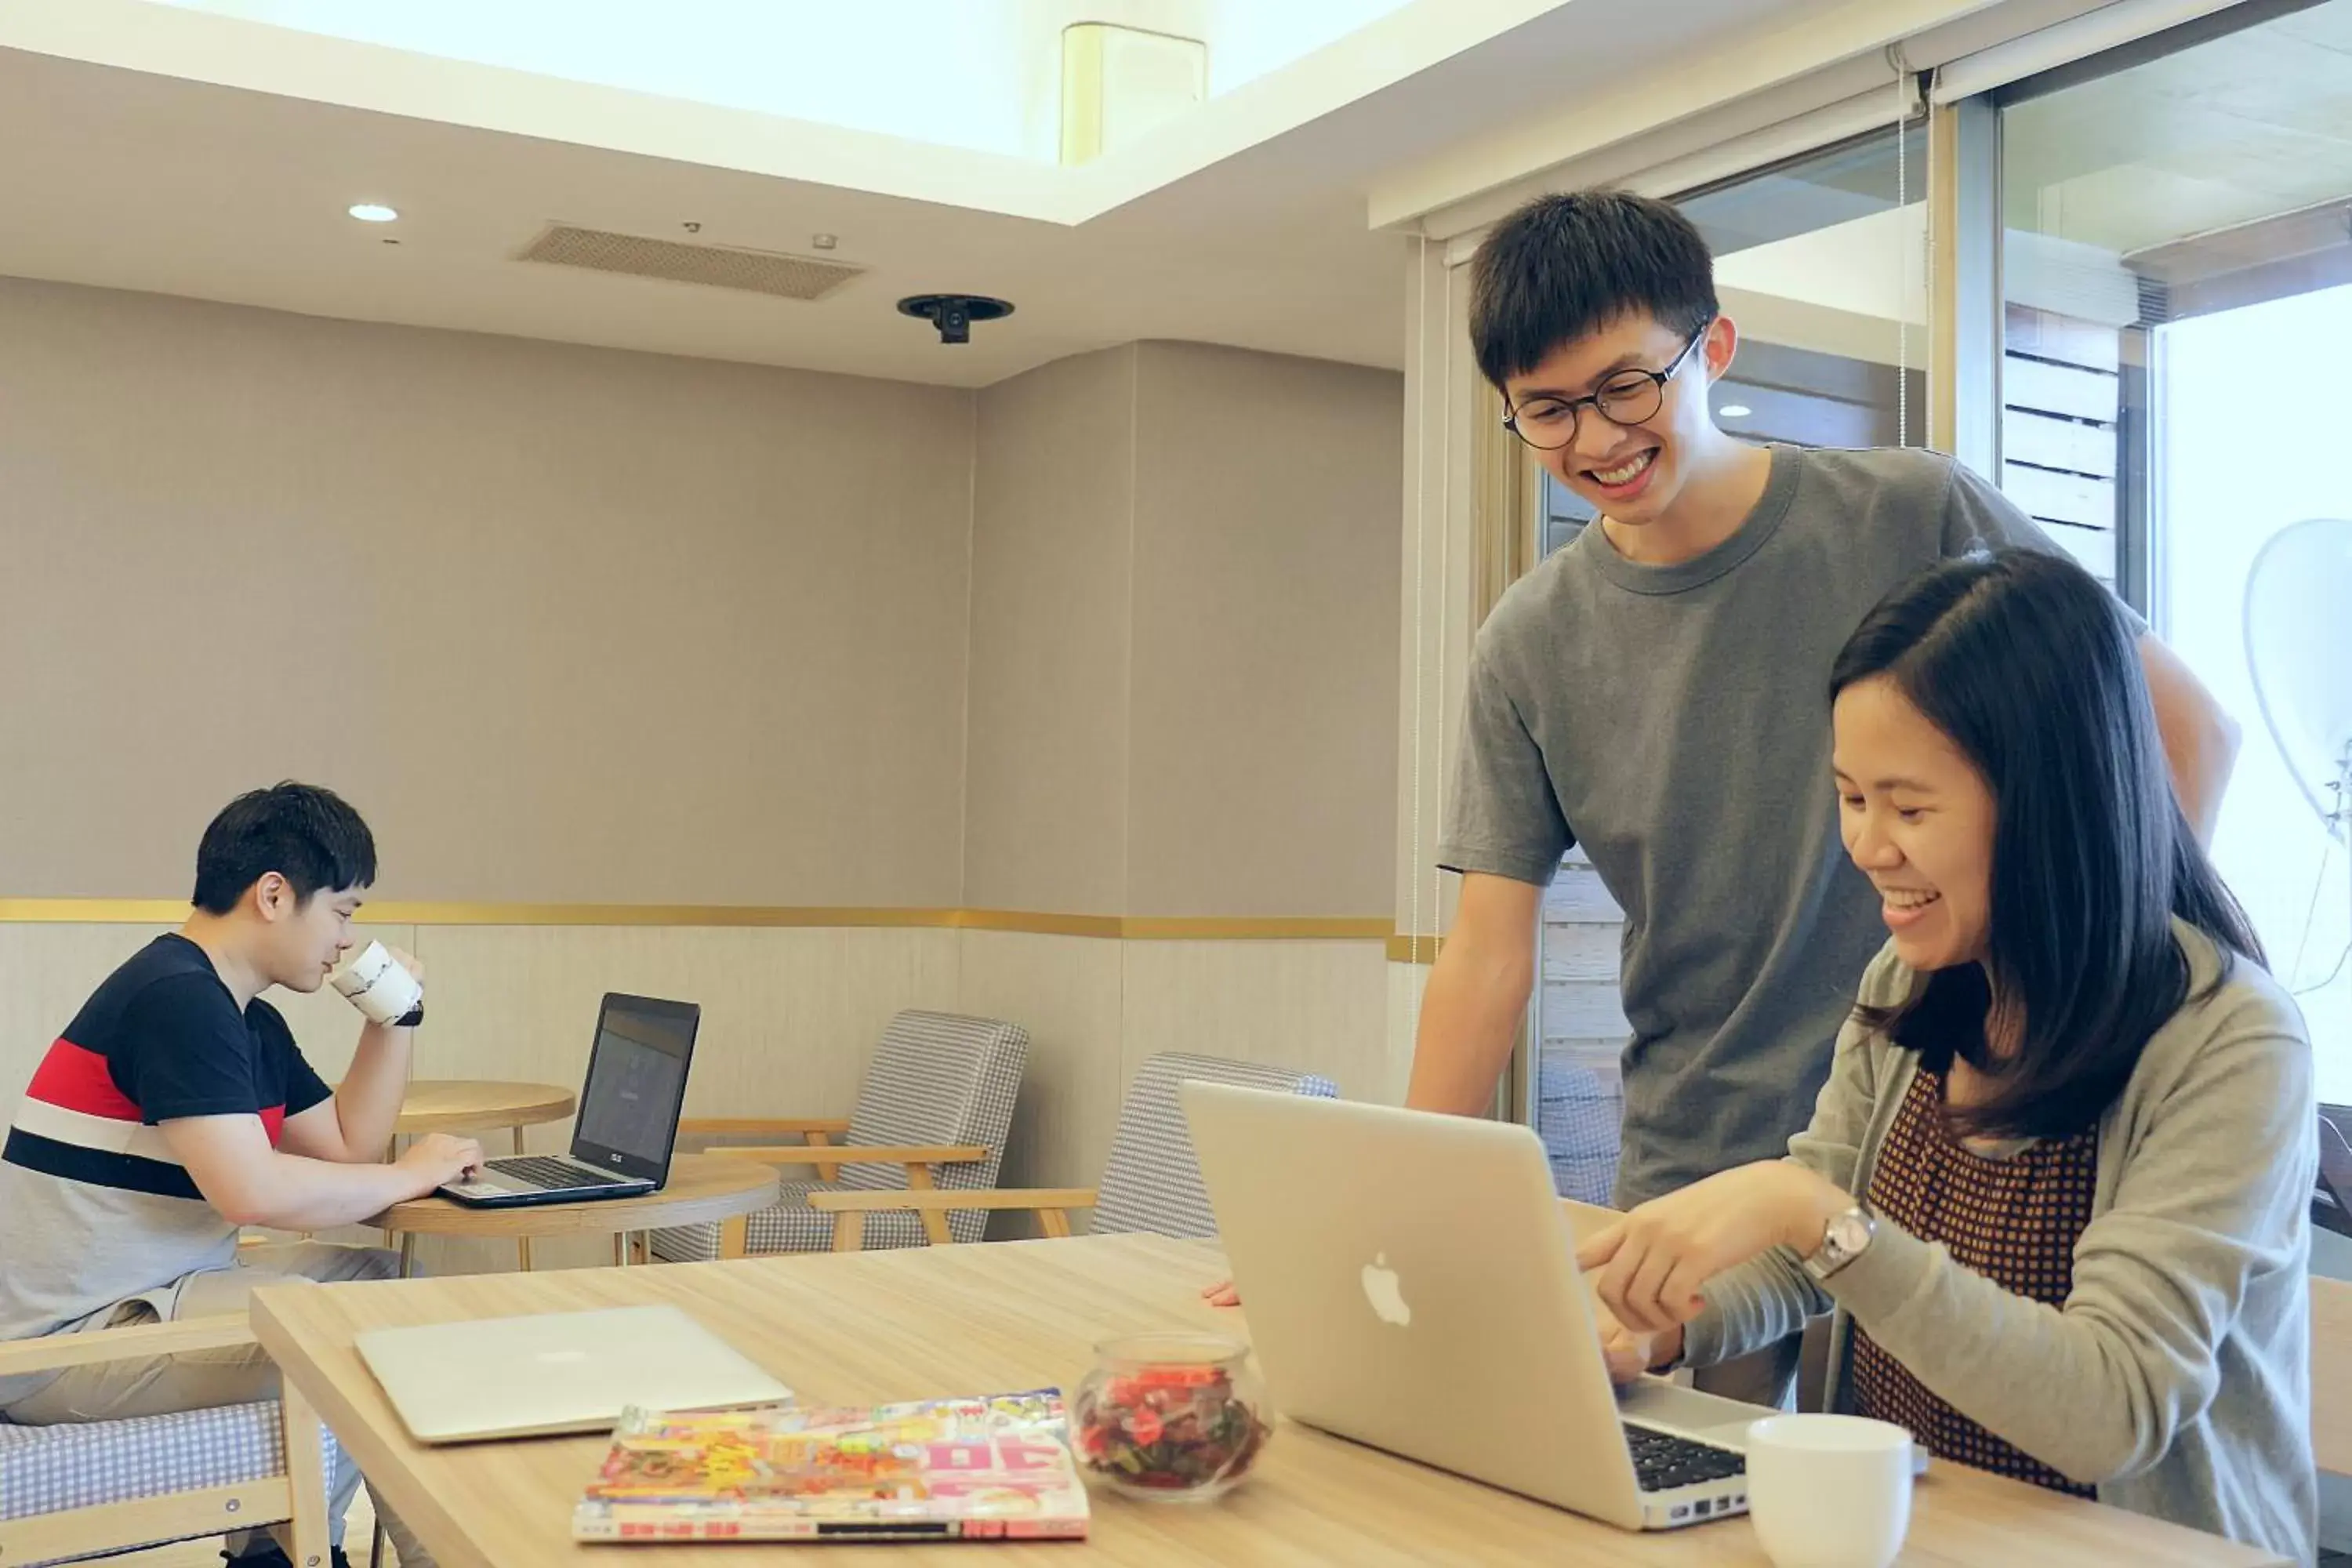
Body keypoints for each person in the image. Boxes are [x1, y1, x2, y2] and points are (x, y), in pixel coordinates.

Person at [1358, 188, 2239, 1401]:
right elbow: (1486, 956)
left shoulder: (1912, 512)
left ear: (1712, 347)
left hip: (1958, 1130)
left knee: (1977, 1481)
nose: (1594, 438)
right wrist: (1399, 1210)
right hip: (1700, 1158)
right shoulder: (1531, 640)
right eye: (1547, 410)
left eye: (1626, 386)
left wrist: (2080, 993)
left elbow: (2183, 733)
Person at [1577, 550, 2314, 1563]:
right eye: (1851, 796)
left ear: (2055, 801)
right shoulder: (1911, 981)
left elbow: (2115, 1407)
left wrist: (1817, 1214)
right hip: (1920, 1534)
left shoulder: (2230, 1043)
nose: (1869, 845)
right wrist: (1658, 1332)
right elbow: (1817, 1253)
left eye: (1910, 807)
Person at [0, 783, 481, 1568]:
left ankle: (279, 1549)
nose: (346, 938)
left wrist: (399, 1015)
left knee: (389, 1283)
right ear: (273, 894)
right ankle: (310, 1554)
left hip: (158, 1296)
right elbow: (252, 1191)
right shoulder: (176, 999)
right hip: (63, 1345)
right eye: (343, 911)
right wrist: (412, 1171)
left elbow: (348, 1145)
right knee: (342, 1331)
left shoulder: (244, 1016)